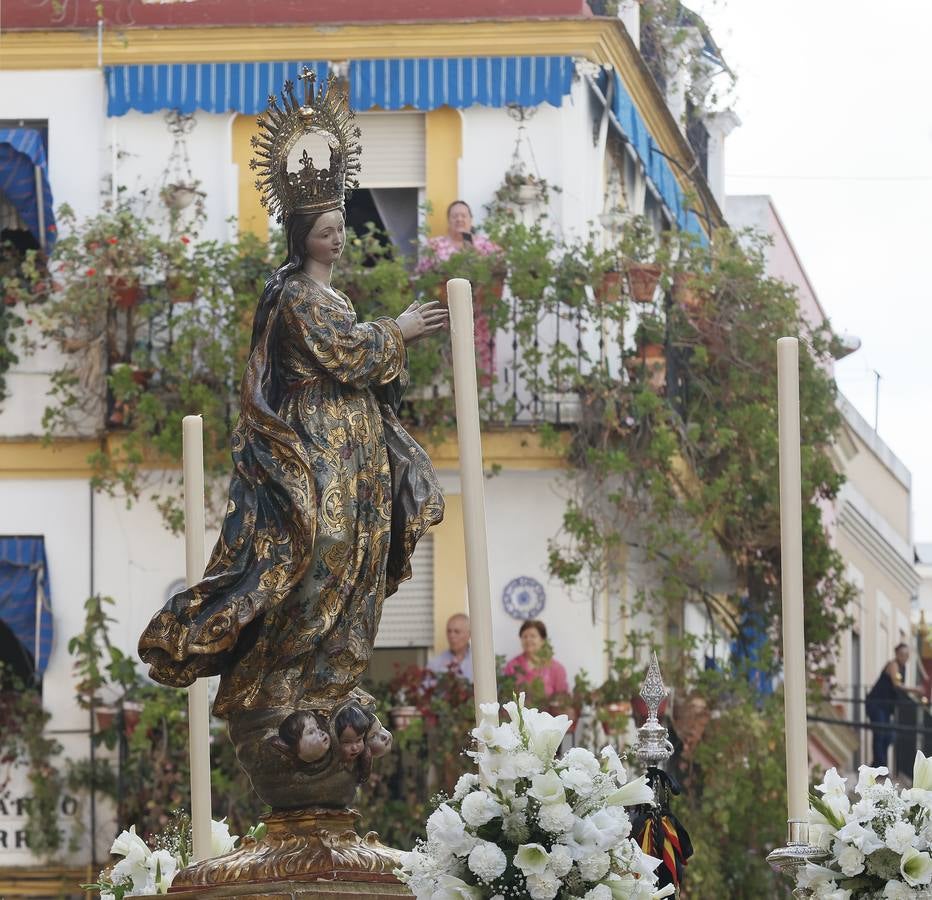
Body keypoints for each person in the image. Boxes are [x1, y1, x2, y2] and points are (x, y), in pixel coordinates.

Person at [138, 75, 448, 731]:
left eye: (340, 227)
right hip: (315, 446)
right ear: (301, 233)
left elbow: (359, 359)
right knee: (323, 550)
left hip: (353, 441)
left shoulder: (334, 297)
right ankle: (279, 681)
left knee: (359, 556)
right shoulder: (296, 296)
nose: (336, 238)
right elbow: (348, 355)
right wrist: (401, 329)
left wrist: (384, 338)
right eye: (325, 229)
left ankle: (329, 682)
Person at [417, 200, 502, 380]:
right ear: (449, 221)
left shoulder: (484, 245)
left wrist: (471, 248)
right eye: (455, 216)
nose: (459, 219)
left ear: (471, 220)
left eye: (464, 215)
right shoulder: (436, 245)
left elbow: (500, 268)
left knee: (476, 371)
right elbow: (422, 274)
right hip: (445, 316)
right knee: (448, 371)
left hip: (479, 318)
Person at [866, 643, 926, 768]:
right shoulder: (893, 664)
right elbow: (897, 684)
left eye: (907, 655)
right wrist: (915, 689)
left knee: (889, 736)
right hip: (877, 704)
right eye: (902, 654)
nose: (905, 657)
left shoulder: (903, 667)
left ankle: (878, 766)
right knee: (880, 734)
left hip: (886, 707)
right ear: (897, 654)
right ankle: (879, 766)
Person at [503, 619, 568, 698]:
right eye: (525, 636)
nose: (528, 639)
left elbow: (562, 699)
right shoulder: (512, 665)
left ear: (542, 640)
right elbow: (506, 696)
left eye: (533, 636)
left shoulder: (556, 668)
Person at [426, 613, 473, 682]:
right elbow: (424, 690)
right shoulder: (435, 664)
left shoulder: (479, 662)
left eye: (457, 632)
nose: (451, 636)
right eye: (449, 631)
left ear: (469, 634)